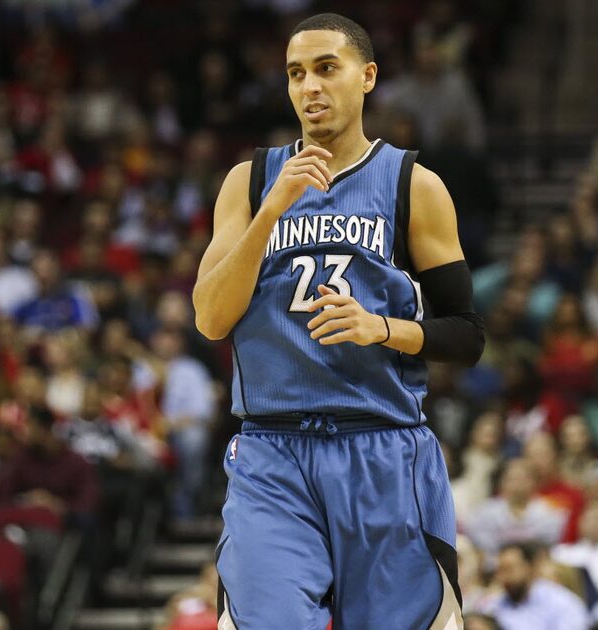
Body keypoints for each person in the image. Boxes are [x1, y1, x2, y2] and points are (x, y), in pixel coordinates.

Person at [192, 13, 484, 628]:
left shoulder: (413, 184)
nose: (310, 87)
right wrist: (268, 213)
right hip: (272, 451)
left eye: (328, 68)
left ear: (367, 76)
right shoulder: (249, 182)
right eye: (296, 74)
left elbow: (467, 333)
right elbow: (211, 319)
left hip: (381, 448)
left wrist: (381, 328)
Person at [479, 542, 589, 630]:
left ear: (530, 567)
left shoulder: (564, 605)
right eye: (499, 571)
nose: (502, 578)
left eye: (509, 570)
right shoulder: (493, 605)